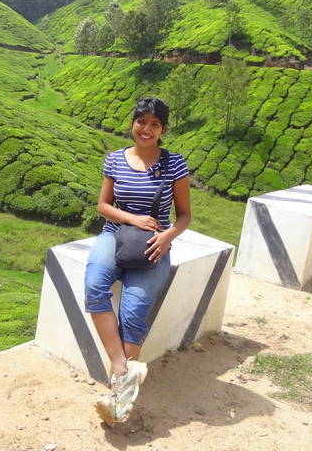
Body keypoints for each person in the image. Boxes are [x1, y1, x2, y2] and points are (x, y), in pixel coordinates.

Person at [84, 96, 191, 426]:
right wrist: (132, 218)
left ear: (163, 130)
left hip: (153, 244)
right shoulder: (115, 159)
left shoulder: (174, 164)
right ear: (133, 123)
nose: (146, 129)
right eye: (141, 121)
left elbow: (185, 216)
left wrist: (166, 237)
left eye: (154, 124)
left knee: (133, 308)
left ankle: (118, 399)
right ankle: (121, 368)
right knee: (94, 286)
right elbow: (104, 206)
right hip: (114, 233)